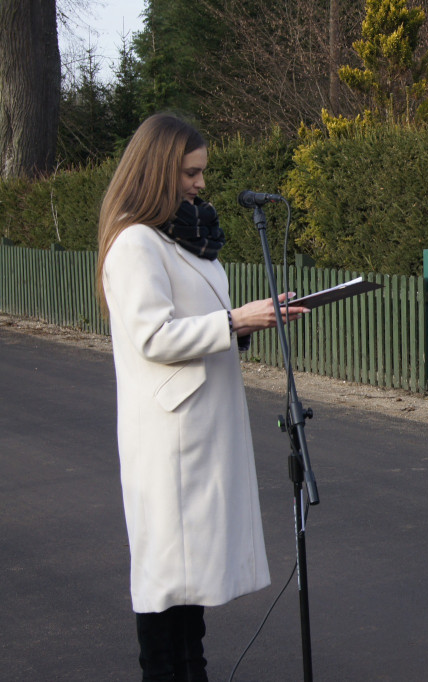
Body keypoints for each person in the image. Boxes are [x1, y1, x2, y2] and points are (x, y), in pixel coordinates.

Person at [96, 113, 308, 680]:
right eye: (191, 172)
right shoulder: (135, 242)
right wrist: (235, 319)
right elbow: (152, 337)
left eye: (203, 172)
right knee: (167, 580)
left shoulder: (181, 238)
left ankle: (193, 671)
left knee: (188, 586)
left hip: (199, 430)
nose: (201, 184)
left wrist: (247, 321)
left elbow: (200, 320)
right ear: (158, 168)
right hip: (170, 440)